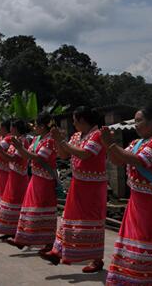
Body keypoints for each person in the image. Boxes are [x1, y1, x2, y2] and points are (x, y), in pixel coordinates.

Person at [101, 107, 152, 285]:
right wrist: (108, 145)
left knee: (146, 245)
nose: (135, 125)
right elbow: (118, 160)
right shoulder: (136, 143)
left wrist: (111, 144)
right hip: (136, 204)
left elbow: (138, 161)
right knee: (134, 245)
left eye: (138, 120)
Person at [43, 106, 107, 273]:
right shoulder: (77, 135)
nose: (73, 123)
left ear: (82, 121)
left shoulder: (98, 135)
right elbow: (64, 155)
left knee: (92, 221)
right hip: (78, 183)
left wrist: (62, 141)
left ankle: (97, 259)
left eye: (74, 120)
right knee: (69, 217)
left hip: (93, 186)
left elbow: (85, 154)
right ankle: (58, 251)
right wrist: (58, 140)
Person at [6, 113, 58, 252]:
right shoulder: (37, 139)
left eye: (36, 125)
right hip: (35, 177)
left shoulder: (50, 141)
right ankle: (24, 238)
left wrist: (20, 148)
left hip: (45, 179)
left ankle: (47, 242)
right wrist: (20, 149)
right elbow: (27, 156)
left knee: (41, 209)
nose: (34, 128)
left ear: (42, 126)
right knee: (30, 208)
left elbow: (39, 158)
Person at [0, 119, 30, 241]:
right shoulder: (15, 141)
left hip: (19, 176)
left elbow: (13, 159)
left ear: (16, 129)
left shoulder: (23, 141)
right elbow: (8, 158)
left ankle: (16, 230)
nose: (10, 130)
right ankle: (11, 229)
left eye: (12, 128)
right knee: (10, 201)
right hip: (13, 174)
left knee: (15, 201)